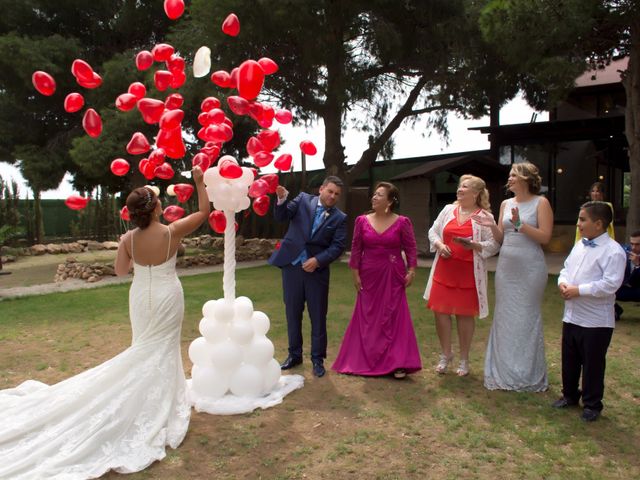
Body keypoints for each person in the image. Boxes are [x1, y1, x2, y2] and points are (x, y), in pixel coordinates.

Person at [0, 167, 210, 478]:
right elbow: (205, 211)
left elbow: (122, 272)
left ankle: (148, 401)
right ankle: (156, 404)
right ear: (155, 208)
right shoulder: (171, 232)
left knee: (143, 349)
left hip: (140, 297)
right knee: (161, 350)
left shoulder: (127, 238)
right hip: (167, 295)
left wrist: (127, 247)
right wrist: (199, 181)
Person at [473, 162, 553, 391]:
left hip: (530, 268)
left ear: (526, 178)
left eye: (512, 176)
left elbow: (545, 237)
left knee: (527, 316)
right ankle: (503, 370)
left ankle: (527, 373)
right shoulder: (506, 203)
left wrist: (521, 225)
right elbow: (501, 238)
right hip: (507, 267)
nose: (509, 180)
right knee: (506, 316)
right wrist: (491, 225)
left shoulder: (541, 203)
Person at [332, 182, 421, 379]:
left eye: (379, 195)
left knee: (394, 316)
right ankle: (365, 359)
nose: (374, 197)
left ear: (390, 201)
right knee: (368, 317)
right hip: (368, 275)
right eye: (374, 194)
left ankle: (398, 363)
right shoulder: (362, 221)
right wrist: (355, 273)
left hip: (393, 274)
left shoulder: (402, 222)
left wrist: (412, 270)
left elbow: (410, 247)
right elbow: (356, 248)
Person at [554, 201, 626, 421]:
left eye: (583, 219)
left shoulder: (613, 251)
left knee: (593, 363)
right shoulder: (580, 245)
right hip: (572, 315)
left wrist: (580, 290)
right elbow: (566, 268)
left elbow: (610, 284)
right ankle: (569, 395)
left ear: (599, 223)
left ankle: (593, 404)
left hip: (596, 321)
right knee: (570, 358)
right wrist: (563, 283)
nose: (578, 224)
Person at [269, 176, 347, 378]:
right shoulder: (303, 199)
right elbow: (281, 216)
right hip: (292, 268)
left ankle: (317, 359)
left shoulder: (340, 218)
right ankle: (294, 355)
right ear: (321, 189)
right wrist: (281, 200)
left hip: (316, 272)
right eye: (330, 191)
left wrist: (318, 260)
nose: (332, 196)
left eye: (337, 194)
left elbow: (338, 246)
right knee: (292, 313)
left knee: (318, 316)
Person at [424, 175, 499, 376]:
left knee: (464, 316)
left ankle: (464, 359)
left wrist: (474, 245)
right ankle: (445, 354)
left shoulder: (484, 217)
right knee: (440, 312)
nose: (459, 190)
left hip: (468, 274)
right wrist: (440, 245)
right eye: (459, 186)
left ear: (475, 193)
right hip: (444, 271)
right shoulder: (448, 210)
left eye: (464, 187)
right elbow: (433, 232)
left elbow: (493, 245)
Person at [614, 230, 640, 319]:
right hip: (624, 288)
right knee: (608, 288)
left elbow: (635, 282)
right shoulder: (623, 252)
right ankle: (615, 310)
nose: (633, 247)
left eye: (637, 244)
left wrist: (637, 265)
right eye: (632, 244)